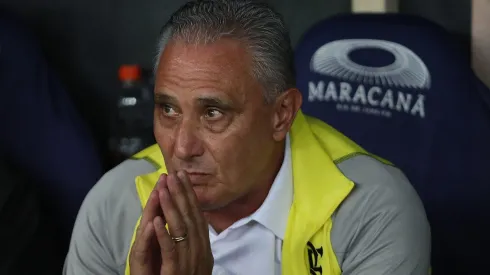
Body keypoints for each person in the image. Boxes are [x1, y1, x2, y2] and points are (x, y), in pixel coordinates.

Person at [64, 1, 431, 274]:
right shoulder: (114, 206)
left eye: (213, 113)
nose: (181, 147)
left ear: (281, 114)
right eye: (169, 110)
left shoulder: (371, 208)